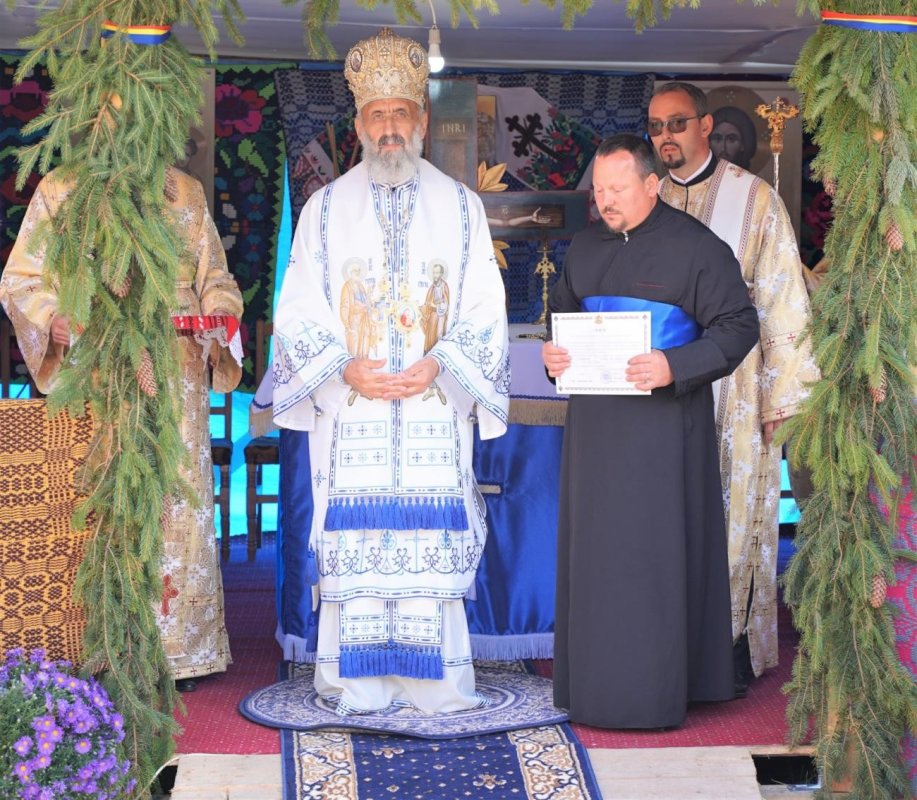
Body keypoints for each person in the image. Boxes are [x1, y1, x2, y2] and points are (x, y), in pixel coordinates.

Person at [271, 27, 510, 715]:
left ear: (422, 121)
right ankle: (357, 684)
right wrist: (344, 370)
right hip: (355, 413)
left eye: (399, 114)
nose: (388, 129)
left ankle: (435, 685)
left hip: (434, 409)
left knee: (426, 547)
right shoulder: (322, 211)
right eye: (375, 116)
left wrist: (441, 363)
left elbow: (484, 308)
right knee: (358, 548)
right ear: (357, 124)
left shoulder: (462, 210)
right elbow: (297, 310)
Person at [542, 134, 759, 729]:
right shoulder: (583, 248)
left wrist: (675, 366)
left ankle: (659, 690)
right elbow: (558, 321)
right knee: (596, 556)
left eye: (617, 189)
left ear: (651, 185)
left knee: (653, 558)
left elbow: (740, 326)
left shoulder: (698, 248)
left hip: (665, 431)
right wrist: (552, 357)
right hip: (594, 436)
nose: (605, 201)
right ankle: (592, 685)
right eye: (599, 190)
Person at [0, 166, 243, 691]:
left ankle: (181, 649)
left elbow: (216, 278)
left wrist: (219, 311)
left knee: (177, 499)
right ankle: (107, 644)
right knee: (104, 497)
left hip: (176, 369)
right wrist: (51, 317)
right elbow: (21, 278)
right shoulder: (62, 189)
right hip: (98, 362)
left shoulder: (185, 192)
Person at [648, 81, 820, 692]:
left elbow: (782, 303)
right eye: (657, 127)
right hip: (661, 384)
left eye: (677, 123)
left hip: (739, 385)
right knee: (666, 513)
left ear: (706, 124)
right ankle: (667, 644)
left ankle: (729, 648)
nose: (666, 136)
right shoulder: (648, 198)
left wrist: (783, 397)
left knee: (734, 512)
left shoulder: (756, 201)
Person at [709, 105, 757, 170]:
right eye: (717, 139)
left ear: (743, 144)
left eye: (731, 139)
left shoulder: (751, 180)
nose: (723, 148)